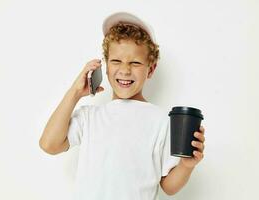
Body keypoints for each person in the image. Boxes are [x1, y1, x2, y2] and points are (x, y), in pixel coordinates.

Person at [39, 11, 206, 200]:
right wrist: (75, 92)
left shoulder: (161, 121)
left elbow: (168, 186)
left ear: (150, 69)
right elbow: (49, 144)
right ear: (106, 66)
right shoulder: (90, 117)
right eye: (116, 61)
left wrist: (186, 166)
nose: (125, 70)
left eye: (135, 63)